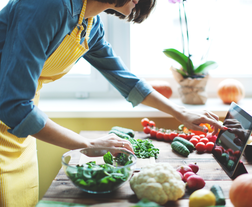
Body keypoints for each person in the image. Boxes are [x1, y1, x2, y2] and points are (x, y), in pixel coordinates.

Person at [0, 0, 226, 206]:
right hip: (13, 112)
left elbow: (125, 80)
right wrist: (87, 145)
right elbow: (14, 105)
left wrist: (181, 112)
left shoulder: (89, 24)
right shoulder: (48, 6)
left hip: (19, 129)